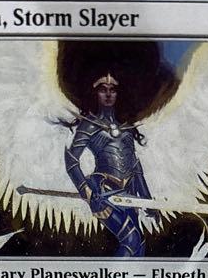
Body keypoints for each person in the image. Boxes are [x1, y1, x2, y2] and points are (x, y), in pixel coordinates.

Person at [63, 73, 154, 257]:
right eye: (103, 90)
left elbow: (135, 166)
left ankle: (131, 277)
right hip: (103, 191)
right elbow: (71, 161)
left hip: (129, 191)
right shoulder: (89, 126)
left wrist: (147, 200)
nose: (108, 94)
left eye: (112, 90)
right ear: (95, 93)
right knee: (131, 240)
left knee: (140, 244)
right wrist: (87, 192)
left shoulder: (126, 127)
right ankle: (110, 276)